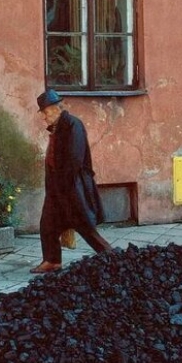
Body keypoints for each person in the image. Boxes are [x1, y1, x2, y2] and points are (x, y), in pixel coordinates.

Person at [32, 89, 112, 273]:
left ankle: (111, 256)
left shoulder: (73, 125)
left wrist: (64, 186)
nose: (43, 117)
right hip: (56, 188)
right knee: (47, 225)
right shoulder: (58, 127)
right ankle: (52, 261)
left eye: (44, 112)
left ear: (54, 109)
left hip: (71, 187)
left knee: (84, 226)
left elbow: (75, 159)